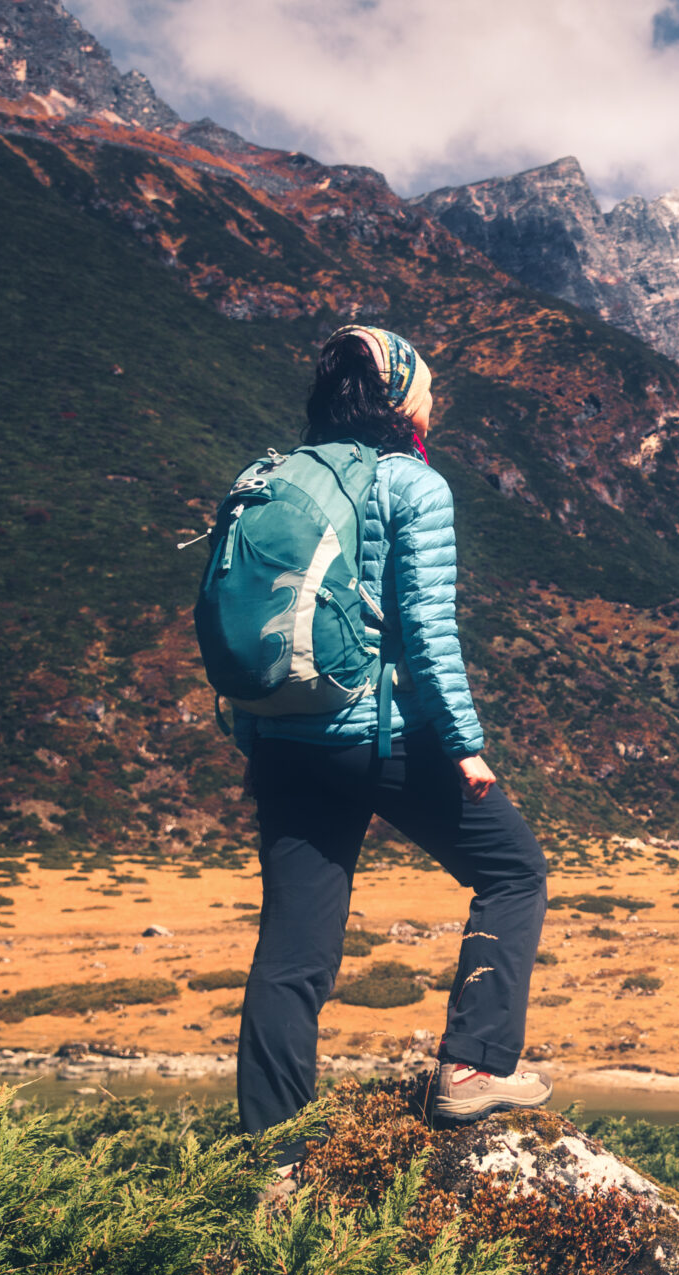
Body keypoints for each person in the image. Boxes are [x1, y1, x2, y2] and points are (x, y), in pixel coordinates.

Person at [234, 324, 551, 1174]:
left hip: (281, 741)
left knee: (293, 950)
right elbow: (426, 631)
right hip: (376, 733)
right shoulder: (412, 484)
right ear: (401, 393)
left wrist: (256, 732)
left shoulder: (269, 479)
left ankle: (272, 1156)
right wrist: (465, 745)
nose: (435, 403)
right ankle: (474, 1065)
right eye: (429, 389)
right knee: (514, 870)